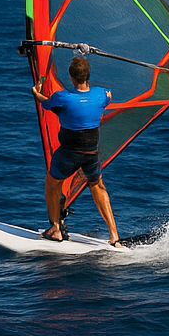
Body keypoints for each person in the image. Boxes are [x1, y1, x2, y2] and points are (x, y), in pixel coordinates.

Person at [30, 55, 121, 246]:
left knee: (52, 184)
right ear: (89, 76)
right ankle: (114, 236)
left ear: (71, 78)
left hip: (68, 154)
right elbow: (109, 96)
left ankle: (55, 228)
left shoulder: (63, 98)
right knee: (98, 186)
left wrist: (36, 92)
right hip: (91, 153)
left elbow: (45, 102)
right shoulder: (101, 95)